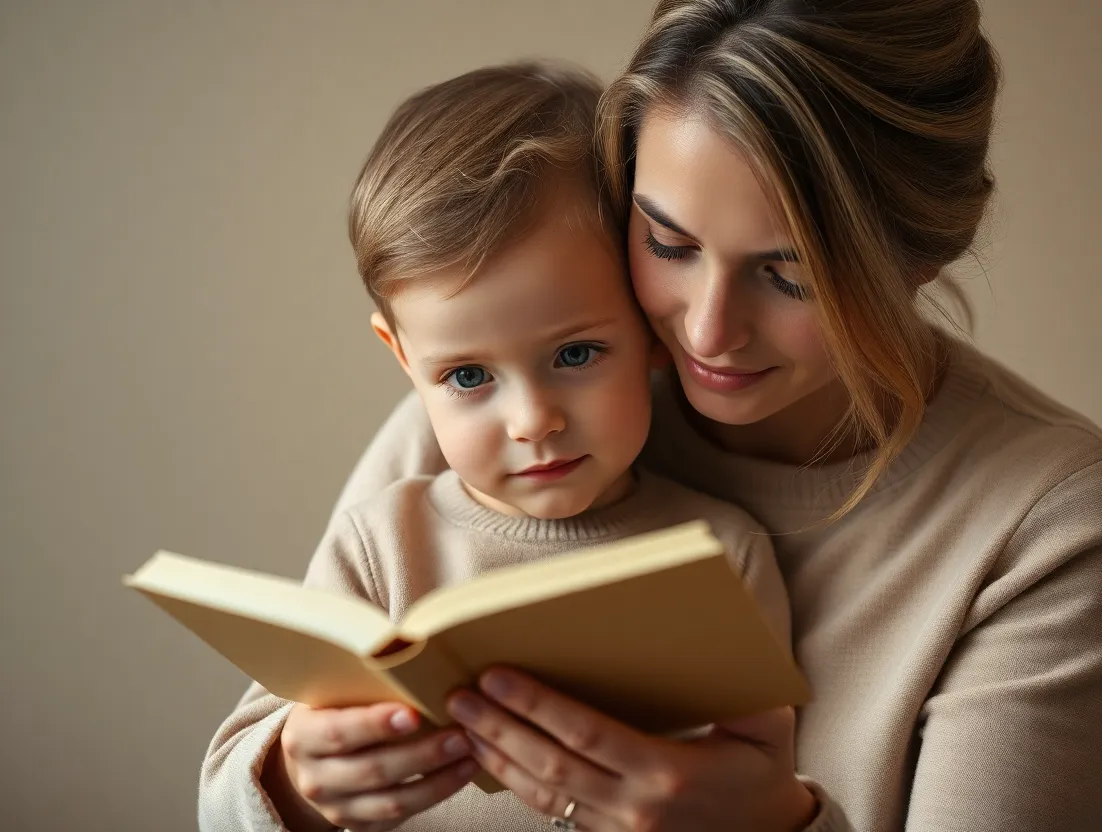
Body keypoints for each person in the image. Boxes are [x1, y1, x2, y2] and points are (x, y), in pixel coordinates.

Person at [327, 2, 1102, 831]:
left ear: (922, 255)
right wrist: (299, 784)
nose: (705, 331)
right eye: (668, 244)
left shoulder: (1054, 522)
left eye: (787, 271)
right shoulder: (502, 413)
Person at [198, 61, 792, 832]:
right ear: (404, 361)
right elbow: (229, 807)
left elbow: (761, 782)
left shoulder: (724, 556)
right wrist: (302, 779)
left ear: (648, 329)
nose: (532, 421)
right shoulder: (379, 545)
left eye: (576, 354)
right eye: (469, 375)